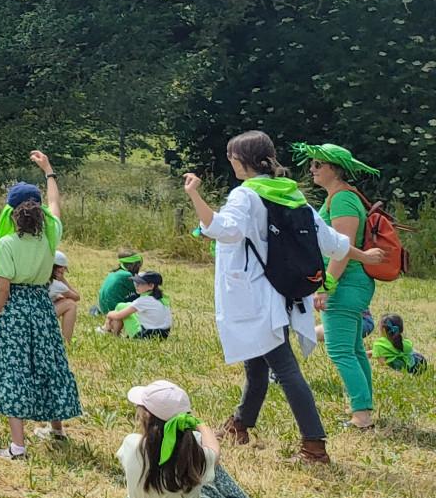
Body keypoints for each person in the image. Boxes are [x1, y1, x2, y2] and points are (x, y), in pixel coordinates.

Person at [185, 130, 349, 464]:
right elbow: (331, 241)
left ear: (240, 160)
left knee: (285, 370)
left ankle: (314, 446)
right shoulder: (292, 194)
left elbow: (224, 229)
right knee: (256, 363)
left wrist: (194, 195)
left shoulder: (246, 195)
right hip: (283, 291)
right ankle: (240, 425)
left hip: (256, 297)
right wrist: (362, 254)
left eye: (232, 157)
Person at [0, 151, 83, 460]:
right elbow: (56, 205)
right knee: (49, 365)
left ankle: (17, 446)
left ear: (10, 212)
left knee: (15, 371)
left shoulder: (5, 245)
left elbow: (3, 289)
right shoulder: (50, 237)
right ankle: (57, 429)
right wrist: (48, 170)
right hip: (42, 306)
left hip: (17, 311)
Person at [296, 142, 390, 431]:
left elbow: (342, 248)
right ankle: (360, 407)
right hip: (348, 282)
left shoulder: (342, 201)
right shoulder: (336, 198)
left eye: (317, 165)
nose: (311, 169)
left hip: (347, 282)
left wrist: (327, 286)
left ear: (334, 169)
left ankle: (361, 415)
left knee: (339, 350)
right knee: (353, 349)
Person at [116, 380, 264, 498]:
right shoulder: (194, 454)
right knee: (211, 469)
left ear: (146, 415)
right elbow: (215, 452)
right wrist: (201, 425)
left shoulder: (131, 443)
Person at [104, 272, 172, 339]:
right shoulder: (162, 298)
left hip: (146, 336)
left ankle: (113, 333)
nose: (136, 285)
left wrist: (109, 315)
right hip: (163, 334)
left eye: (140, 283)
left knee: (120, 308)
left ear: (151, 286)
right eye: (136, 282)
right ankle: (108, 330)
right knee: (123, 306)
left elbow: (118, 316)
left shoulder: (143, 301)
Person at [94, 251, 145, 316]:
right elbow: (139, 292)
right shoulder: (127, 275)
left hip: (103, 308)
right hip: (113, 310)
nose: (139, 268)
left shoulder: (115, 273)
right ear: (131, 266)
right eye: (138, 265)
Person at [48, 251, 79, 344]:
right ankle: (66, 341)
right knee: (71, 304)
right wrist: (63, 280)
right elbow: (76, 297)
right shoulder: (57, 285)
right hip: (41, 315)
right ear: (60, 269)